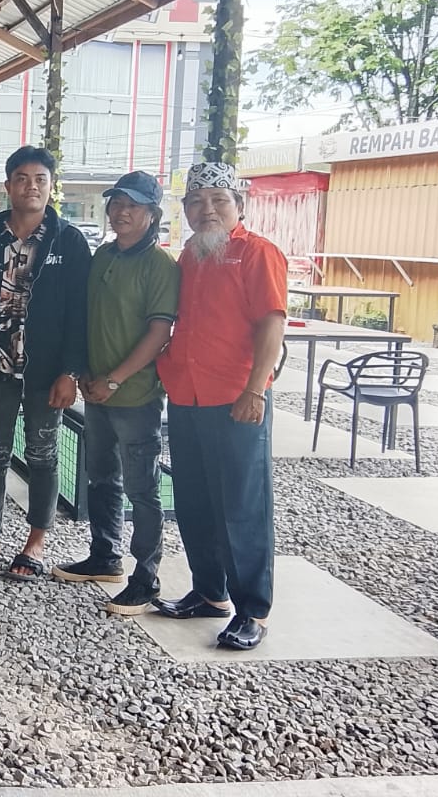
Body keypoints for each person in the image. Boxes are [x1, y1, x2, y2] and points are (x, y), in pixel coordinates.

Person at [153, 161, 286, 651]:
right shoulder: (190, 255)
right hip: (187, 395)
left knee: (241, 506)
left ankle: (254, 610)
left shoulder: (258, 253)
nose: (206, 209)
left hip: (235, 398)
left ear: (239, 205)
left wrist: (256, 389)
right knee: (194, 500)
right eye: (196, 201)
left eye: (218, 200)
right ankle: (210, 593)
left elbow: (272, 323)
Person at [0, 145, 90, 582]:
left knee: (42, 455)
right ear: (8, 185)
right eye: (22, 178)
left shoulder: (69, 241)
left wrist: (70, 371)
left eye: (40, 179)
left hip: (46, 372)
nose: (31, 186)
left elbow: (80, 313)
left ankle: (35, 542)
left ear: (51, 186)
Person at [53, 171, 179, 615]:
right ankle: (105, 556)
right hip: (97, 391)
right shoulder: (103, 254)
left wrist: (114, 379)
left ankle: (146, 578)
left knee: (142, 489)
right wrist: (89, 375)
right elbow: (88, 318)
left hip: (134, 395)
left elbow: (159, 332)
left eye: (133, 205)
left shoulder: (160, 265)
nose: (122, 212)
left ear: (152, 214)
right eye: (117, 203)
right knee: (101, 477)